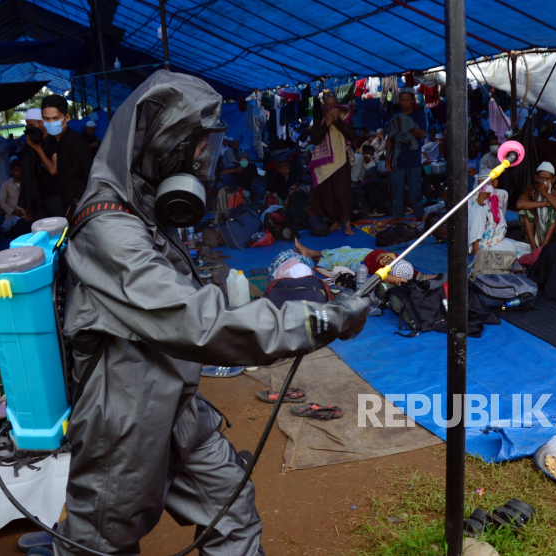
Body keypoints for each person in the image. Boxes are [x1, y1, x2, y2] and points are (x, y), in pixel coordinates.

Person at [59, 70, 371, 556]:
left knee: (231, 512)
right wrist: (312, 320)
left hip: (178, 404)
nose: (207, 159)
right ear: (164, 146)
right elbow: (195, 319)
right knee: (101, 544)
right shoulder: (108, 229)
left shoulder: (144, 209)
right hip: (124, 419)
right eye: (198, 147)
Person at [307, 92, 356, 235]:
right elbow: (315, 139)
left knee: (343, 192)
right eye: (328, 105)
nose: (332, 107)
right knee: (327, 194)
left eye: (334, 104)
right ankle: (334, 221)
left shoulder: (345, 117)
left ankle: (347, 224)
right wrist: (327, 124)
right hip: (325, 163)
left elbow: (352, 136)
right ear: (323, 107)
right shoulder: (319, 120)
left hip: (341, 160)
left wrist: (337, 122)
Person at [40, 94, 93, 216]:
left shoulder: (76, 142)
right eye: (46, 119)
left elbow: (90, 176)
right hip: (66, 204)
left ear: (67, 117)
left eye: (56, 118)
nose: (51, 122)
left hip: (80, 206)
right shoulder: (52, 142)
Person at [283, 238, 415, 286]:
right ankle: (314, 253)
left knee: (338, 258)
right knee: (343, 249)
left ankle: (311, 253)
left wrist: (397, 280)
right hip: (367, 252)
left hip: (360, 262)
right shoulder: (404, 264)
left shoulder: (388, 273)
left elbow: (383, 276)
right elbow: (419, 275)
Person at [386, 87, 427, 221]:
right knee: (397, 190)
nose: (404, 103)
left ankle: (418, 215)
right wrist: (387, 159)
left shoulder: (419, 115)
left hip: (413, 158)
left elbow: (422, 133)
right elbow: (390, 138)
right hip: (397, 159)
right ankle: (397, 216)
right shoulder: (395, 115)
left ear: (412, 100)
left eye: (407, 100)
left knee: (416, 189)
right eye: (402, 100)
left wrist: (406, 126)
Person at [19, 108, 62, 219]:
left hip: (55, 198)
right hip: (38, 201)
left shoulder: (54, 141)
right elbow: (28, 175)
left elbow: (53, 170)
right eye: (27, 126)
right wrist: (28, 204)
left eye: (31, 125)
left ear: (42, 123)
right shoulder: (33, 144)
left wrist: (38, 149)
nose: (29, 129)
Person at [516, 161, 556, 249]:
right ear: (536, 178)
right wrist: (544, 203)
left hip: (554, 236)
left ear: (553, 179)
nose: (544, 181)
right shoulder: (531, 189)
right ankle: (533, 245)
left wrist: (545, 194)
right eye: (541, 178)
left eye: (547, 179)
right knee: (525, 210)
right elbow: (519, 204)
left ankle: (544, 246)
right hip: (534, 230)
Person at [468, 171, 508, 254]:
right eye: (481, 185)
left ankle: (486, 248)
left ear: (495, 183)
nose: (484, 188)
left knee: (509, 248)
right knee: (480, 209)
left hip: (493, 234)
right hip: (475, 234)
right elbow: (470, 220)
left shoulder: (499, 195)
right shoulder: (471, 197)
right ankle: (475, 247)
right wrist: (479, 202)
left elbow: (500, 219)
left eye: (487, 184)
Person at [0, 158, 26, 223]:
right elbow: (2, 202)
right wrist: (13, 211)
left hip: (26, 216)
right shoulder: (5, 185)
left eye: (20, 170)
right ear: (11, 171)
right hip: (11, 217)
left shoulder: (27, 183)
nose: (18, 172)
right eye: (16, 170)